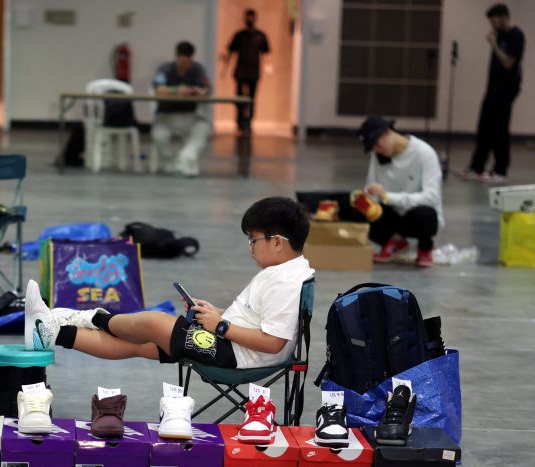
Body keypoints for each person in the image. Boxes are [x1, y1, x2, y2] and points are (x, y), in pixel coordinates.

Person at [25, 197, 312, 373]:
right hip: (233, 345)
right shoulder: (284, 271)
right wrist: (217, 313)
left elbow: (274, 343)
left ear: (277, 242)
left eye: (254, 240)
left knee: (154, 322)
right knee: (137, 344)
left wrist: (221, 326)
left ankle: (89, 317)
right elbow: (259, 317)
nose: (250, 247)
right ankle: (51, 333)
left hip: (240, 356)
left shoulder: (285, 282)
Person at [357, 116, 444, 269]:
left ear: (387, 132)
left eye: (377, 144)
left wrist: (388, 197)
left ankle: (425, 246)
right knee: (359, 209)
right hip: (392, 213)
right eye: (373, 147)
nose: (377, 150)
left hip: (415, 214)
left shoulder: (424, 153)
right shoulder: (378, 157)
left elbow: (431, 197)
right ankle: (393, 240)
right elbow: (370, 189)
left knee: (426, 214)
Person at [461, 3, 525, 183]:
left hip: (507, 89)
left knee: (499, 129)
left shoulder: (516, 36)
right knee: (484, 127)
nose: (491, 25)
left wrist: (494, 44)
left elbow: (509, 63)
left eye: (493, 20)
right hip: (493, 88)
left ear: (503, 17)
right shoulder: (500, 34)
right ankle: (476, 166)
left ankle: (500, 170)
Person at [152, 41, 213, 177]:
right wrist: (176, 90)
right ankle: (170, 161)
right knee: (159, 135)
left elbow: (207, 89)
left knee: (203, 128)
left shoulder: (197, 69)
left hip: (189, 116)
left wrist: (200, 91)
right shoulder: (166, 69)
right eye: (181, 61)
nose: (184, 65)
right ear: (176, 57)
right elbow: (158, 89)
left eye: (187, 62)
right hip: (166, 116)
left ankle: (186, 157)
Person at [223, 8, 270, 134]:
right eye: (248, 17)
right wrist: (224, 68)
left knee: (251, 99)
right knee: (239, 98)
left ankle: (249, 122)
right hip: (240, 71)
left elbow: (266, 54)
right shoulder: (239, 35)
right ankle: (240, 122)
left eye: (252, 17)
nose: (250, 19)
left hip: (254, 72)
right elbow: (230, 52)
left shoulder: (260, 36)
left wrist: (268, 68)